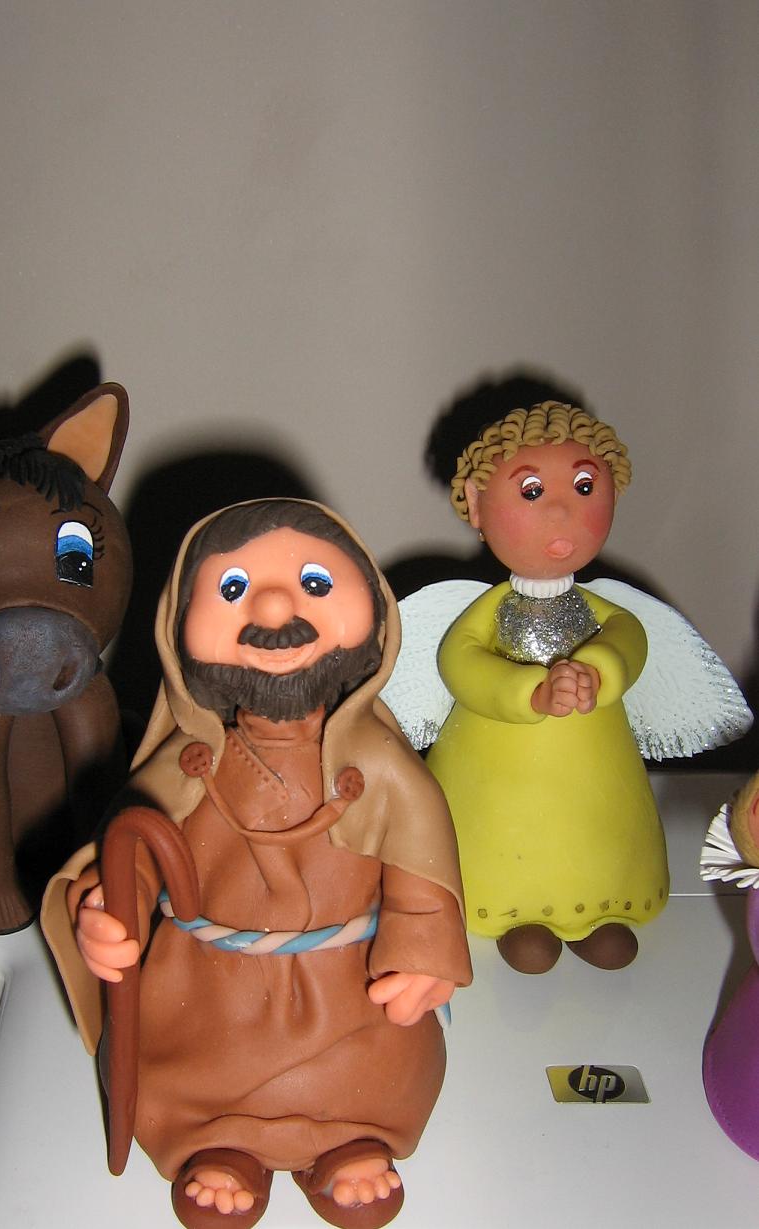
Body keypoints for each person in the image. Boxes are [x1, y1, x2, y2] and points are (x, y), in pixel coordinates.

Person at [42, 498, 472, 1229]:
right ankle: (217, 1142)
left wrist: (423, 947)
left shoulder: (381, 765)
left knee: (374, 1064)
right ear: (182, 626)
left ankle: (350, 1137)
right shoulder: (190, 761)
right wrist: (110, 908)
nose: (275, 607)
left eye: (315, 583)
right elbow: (134, 845)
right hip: (212, 990)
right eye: (233, 588)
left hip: (349, 984)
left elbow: (422, 864)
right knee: (201, 1065)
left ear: (374, 612)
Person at [427, 401, 667, 974]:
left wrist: (601, 669)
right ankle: (517, 916)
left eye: (585, 487)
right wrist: (528, 694)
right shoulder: (485, 612)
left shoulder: (604, 609)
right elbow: (461, 662)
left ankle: (601, 909)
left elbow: (630, 637)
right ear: (477, 506)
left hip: (596, 758)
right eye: (532, 492)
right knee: (506, 837)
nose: (561, 510)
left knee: (598, 825)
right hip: (495, 768)